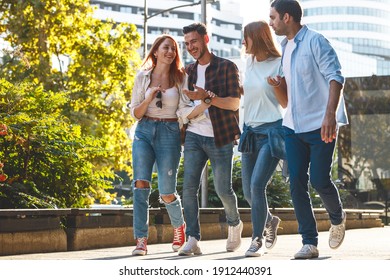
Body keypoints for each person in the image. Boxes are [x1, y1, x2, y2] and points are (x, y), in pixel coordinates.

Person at [269, 0, 348, 259]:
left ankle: (337, 217)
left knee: (319, 180)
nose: (271, 23)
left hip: (319, 124)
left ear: (287, 17)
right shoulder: (285, 47)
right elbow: (290, 94)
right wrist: (278, 83)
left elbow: (335, 77)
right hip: (292, 126)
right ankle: (309, 242)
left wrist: (330, 116)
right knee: (296, 183)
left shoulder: (316, 41)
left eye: (273, 17)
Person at [178, 22, 243, 256]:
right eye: (186, 44)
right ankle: (193, 238)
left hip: (220, 136)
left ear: (206, 39)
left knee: (223, 189)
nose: (190, 47)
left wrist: (207, 99)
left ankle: (234, 224)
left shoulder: (227, 67)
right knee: (188, 189)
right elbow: (184, 104)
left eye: (194, 41)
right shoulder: (188, 71)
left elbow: (234, 103)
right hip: (194, 135)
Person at [129, 34, 191, 256]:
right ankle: (141, 240)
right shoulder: (142, 77)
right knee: (140, 185)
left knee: (166, 191)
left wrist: (197, 110)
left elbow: (184, 109)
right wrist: (149, 97)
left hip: (169, 131)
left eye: (173, 49)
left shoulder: (181, 77)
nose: (170, 52)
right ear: (155, 51)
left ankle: (179, 227)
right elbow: (136, 113)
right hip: (144, 131)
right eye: (166, 48)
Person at [239, 20, 287, 257]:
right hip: (249, 133)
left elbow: (285, 102)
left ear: (256, 38)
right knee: (248, 192)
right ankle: (270, 220)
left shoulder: (279, 64)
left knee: (257, 186)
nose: (242, 42)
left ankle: (256, 239)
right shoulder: (248, 63)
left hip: (270, 133)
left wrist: (277, 85)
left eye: (245, 37)